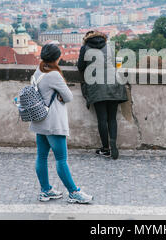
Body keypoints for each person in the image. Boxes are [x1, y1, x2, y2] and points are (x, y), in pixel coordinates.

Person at [30, 43, 93, 203]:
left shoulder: (38, 72)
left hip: (40, 120)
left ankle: (46, 190)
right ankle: (74, 192)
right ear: (57, 58)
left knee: (42, 157)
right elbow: (69, 97)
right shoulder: (54, 75)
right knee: (61, 159)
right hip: (53, 123)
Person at [77, 31, 128, 160]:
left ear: (86, 39)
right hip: (114, 82)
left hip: (97, 85)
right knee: (112, 118)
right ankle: (113, 143)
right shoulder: (109, 46)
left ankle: (105, 148)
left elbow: (80, 67)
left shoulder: (85, 48)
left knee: (102, 119)